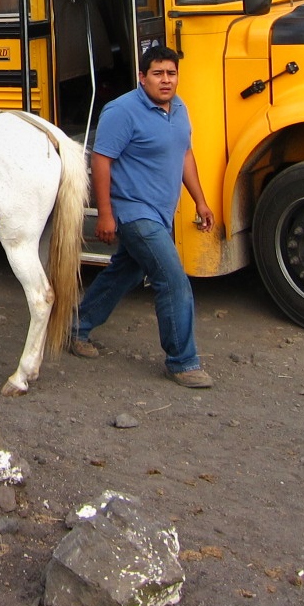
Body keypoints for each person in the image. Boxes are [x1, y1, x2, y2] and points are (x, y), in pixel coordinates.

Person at [71, 44, 216, 389]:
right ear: (142, 77)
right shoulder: (122, 111)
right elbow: (101, 161)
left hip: (161, 211)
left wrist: (201, 201)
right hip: (133, 211)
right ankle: (182, 361)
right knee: (172, 279)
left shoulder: (179, 108)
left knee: (126, 272)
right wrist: (105, 214)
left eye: (171, 73)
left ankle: (77, 327)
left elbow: (185, 155)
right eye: (158, 74)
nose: (166, 81)